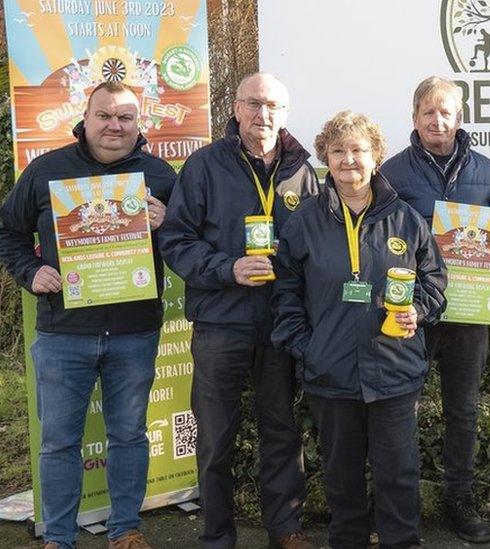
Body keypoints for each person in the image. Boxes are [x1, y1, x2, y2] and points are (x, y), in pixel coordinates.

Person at [0, 81, 174, 549]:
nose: (114, 125)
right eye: (105, 115)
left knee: (129, 436)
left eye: (125, 117)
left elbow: (188, 245)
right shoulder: (46, 171)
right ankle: (58, 537)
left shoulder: (160, 175)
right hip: (63, 333)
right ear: (87, 117)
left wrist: (168, 223)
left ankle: (125, 530)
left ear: (139, 123)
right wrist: (30, 271)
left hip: (135, 331)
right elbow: (8, 232)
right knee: (58, 441)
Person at [272, 110, 447, 549]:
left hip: (394, 370)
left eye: (358, 150)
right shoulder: (306, 220)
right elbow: (285, 293)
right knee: (341, 477)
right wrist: (307, 348)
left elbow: (435, 282)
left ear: (375, 156)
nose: (348, 159)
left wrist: (419, 311)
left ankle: (400, 542)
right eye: (338, 151)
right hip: (330, 374)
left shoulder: (406, 219)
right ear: (325, 158)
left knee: (398, 476)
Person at [158, 73, 319, 549]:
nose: (262, 115)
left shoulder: (302, 172)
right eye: (253, 104)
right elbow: (175, 240)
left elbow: (316, 249)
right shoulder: (205, 166)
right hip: (220, 323)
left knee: (283, 434)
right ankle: (216, 537)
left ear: (285, 113)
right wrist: (227, 268)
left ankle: (286, 531)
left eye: (273, 106)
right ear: (235, 107)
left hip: (280, 325)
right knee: (213, 439)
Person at [380, 76, 490, 544]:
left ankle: (458, 498)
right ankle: (398, 504)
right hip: (413, 309)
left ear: (459, 118)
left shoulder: (487, 171)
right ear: (414, 119)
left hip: (469, 312)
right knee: (399, 409)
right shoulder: (390, 172)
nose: (437, 120)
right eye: (428, 112)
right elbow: (375, 232)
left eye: (445, 112)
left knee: (463, 411)